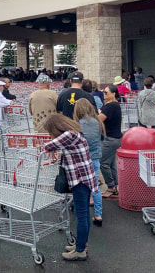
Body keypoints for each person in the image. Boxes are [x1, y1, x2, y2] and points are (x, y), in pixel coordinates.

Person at [42, 114, 98, 261]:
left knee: (81, 216)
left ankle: (80, 250)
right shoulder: (74, 132)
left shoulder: (68, 135)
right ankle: (81, 245)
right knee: (84, 214)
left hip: (79, 180)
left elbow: (47, 146)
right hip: (85, 178)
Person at [74, 98, 104, 227]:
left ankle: (83, 214)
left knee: (81, 186)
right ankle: (98, 215)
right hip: (95, 157)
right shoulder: (98, 122)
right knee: (95, 186)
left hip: (81, 159)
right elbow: (102, 138)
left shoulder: (76, 124)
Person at [99, 84, 123, 198]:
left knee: (102, 162)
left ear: (113, 94)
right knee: (111, 163)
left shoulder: (111, 106)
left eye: (106, 92)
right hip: (114, 138)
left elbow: (100, 120)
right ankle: (115, 186)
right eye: (103, 92)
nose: (104, 94)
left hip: (110, 138)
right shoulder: (112, 105)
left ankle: (111, 186)